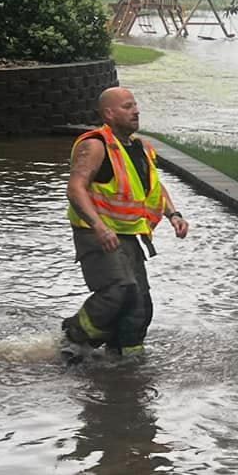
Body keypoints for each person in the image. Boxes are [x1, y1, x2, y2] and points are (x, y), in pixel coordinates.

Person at [63, 87, 189, 356]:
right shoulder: (95, 145)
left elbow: (152, 187)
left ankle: (125, 362)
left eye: (136, 106)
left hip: (130, 234)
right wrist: (99, 226)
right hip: (96, 232)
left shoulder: (140, 147)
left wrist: (173, 214)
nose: (136, 111)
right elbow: (75, 188)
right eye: (127, 106)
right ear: (109, 113)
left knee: (140, 304)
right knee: (119, 290)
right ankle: (72, 338)